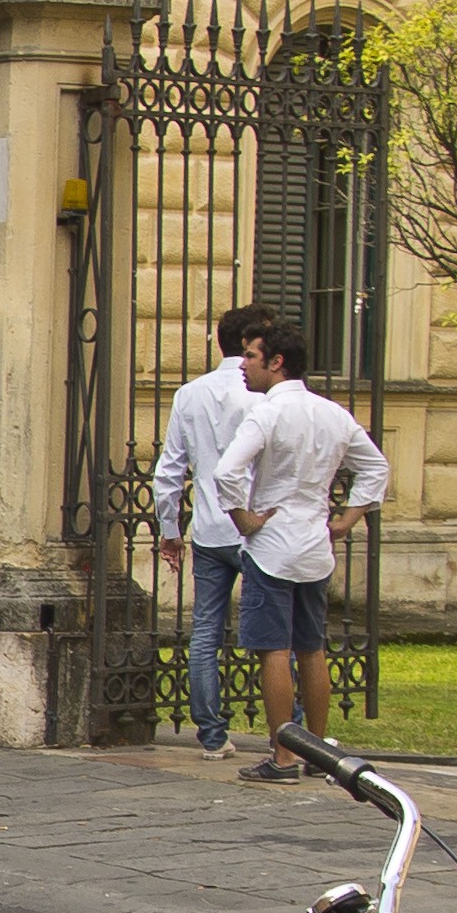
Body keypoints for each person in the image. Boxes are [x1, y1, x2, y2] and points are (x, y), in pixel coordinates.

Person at [206, 319, 389, 780]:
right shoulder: (333, 414)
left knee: (273, 650)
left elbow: (227, 471)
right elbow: (375, 467)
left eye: (250, 356)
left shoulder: (267, 413)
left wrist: (242, 518)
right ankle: (317, 755)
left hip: (272, 545)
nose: (243, 365)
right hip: (314, 544)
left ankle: (284, 756)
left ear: (276, 361)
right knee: (311, 650)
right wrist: (348, 518)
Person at [148, 304, 272, 756]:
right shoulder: (264, 395)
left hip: (208, 528)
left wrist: (170, 529)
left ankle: (212, 734)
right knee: (274, 633)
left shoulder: (190, 394)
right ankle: (290, 730)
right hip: (255, 530)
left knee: (205, 631)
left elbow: (169, 470)